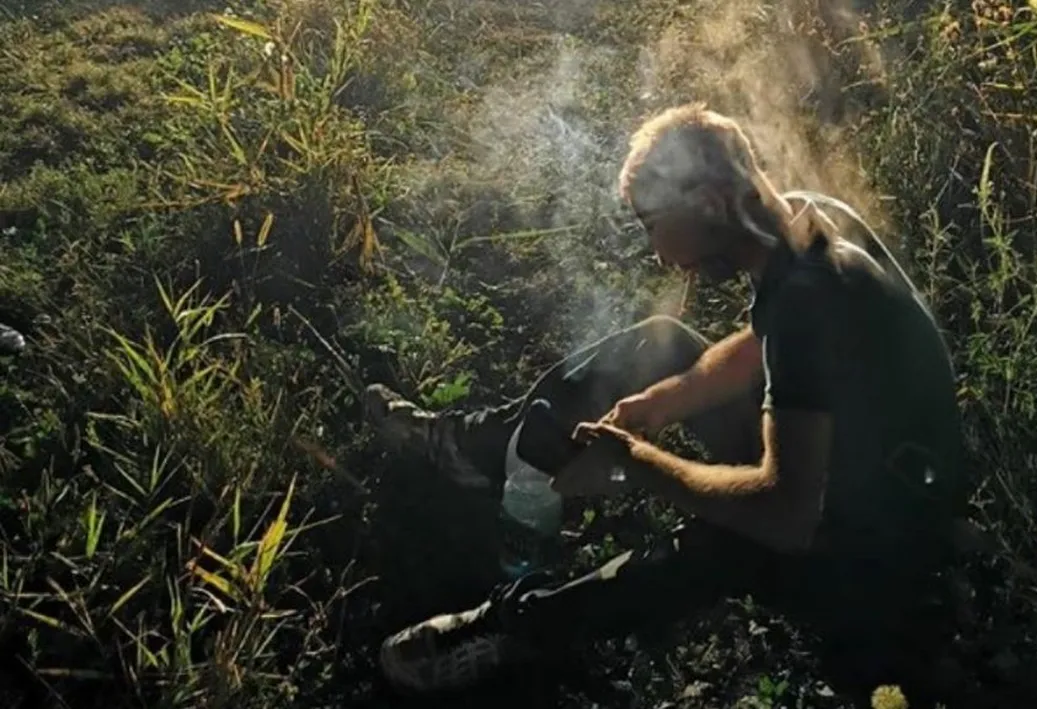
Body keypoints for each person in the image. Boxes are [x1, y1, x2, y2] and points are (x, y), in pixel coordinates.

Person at [364, 103, 968, 699]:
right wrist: (656, 404)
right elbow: (763, 347)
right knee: (665, 342)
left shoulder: (809, 301)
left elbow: (786, 515)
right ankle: (469, 448)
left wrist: (634, 462)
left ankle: (515, 628)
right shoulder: (808, 223)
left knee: (722, 538)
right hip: (857, 454)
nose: (659, 254)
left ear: (707, 202)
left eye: (654, 225)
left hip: (878, 542)